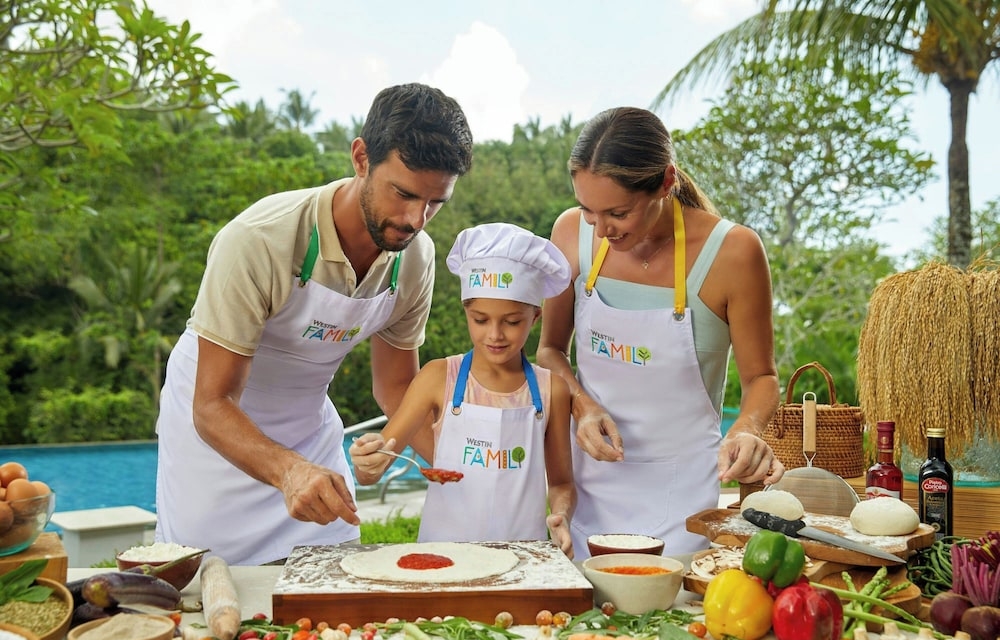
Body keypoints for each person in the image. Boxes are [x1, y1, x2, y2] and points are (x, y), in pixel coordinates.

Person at [154, 83, 474, 565]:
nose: (415, 220)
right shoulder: (260, 239)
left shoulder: (414, 260)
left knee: (332, 574)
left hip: (307, 429)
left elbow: (395, 388)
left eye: (435, 203)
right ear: (361, 158)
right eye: (404, 194)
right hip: (215, 430)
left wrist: (468, 474)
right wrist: (289, 472)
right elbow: (212, 403)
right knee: (211, 583)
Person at [536, 107, 783, 557]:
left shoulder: (733, 252)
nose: (603, 230)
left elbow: (761, 378)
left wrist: (747, 428)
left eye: (618, 213)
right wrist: (582, 405)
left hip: (684, 499)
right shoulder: (571, 233)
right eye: (590, 211)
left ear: (666, 182)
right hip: (588, 489)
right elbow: (550, 350)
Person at [350, 222, 577, 556]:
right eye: (480, 320)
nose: (495, 335)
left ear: (535, 317)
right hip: (442, 559)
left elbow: (561, 483)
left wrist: (560, 515)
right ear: (466, 313)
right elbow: (377, 465)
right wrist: (366, 461)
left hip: (523, 559)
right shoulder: (437, 377)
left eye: (512, 322)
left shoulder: (552, 390)